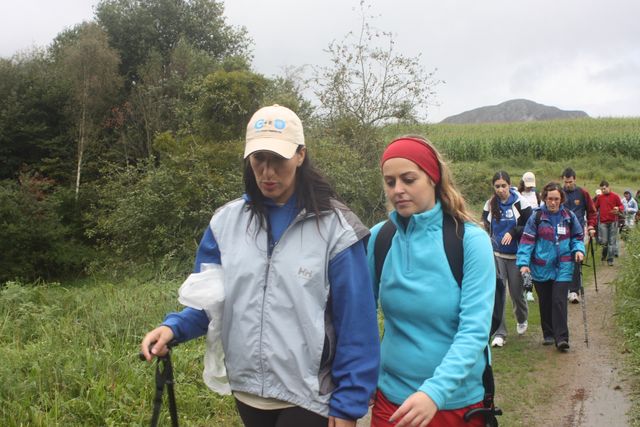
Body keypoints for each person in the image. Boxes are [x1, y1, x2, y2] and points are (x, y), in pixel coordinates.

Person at [140, 105, 380, 427]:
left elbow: (356, 321)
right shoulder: (225, 223)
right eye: (258, 159)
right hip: (248, 391)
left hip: (311, 395)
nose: (267, 172)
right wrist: (174, 328)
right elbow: (212, 300)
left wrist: (350, 401)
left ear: (300, 155)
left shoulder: (337, 229)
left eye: (278, 160)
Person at [368, 136, 495, 427]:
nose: (397, 190)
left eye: (408, 179)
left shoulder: (469, 242)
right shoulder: (380, 239)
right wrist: (365, 375)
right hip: (392, 401)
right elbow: (359, 316)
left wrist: (433, 393)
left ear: (433, 179)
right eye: (389, 182)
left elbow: (474, 331)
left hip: (454, 404)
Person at [517, 182, 585, 351]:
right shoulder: (537, 217)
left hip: (564, 266)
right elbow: (526, 241)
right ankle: (548, 333)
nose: (553, 202)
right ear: (544, 199)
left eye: (556, 199)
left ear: (561, 199)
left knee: (559, 301)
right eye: (550, 199)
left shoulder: (569, 216)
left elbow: (577, 236)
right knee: (546, 302)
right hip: (541, 267)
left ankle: (561, 338)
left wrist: (578, 250)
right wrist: (524, 263)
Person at [482, 171, 532, 347]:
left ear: (509, 185)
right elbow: (485, 223)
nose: (501, 189)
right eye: (497, 186)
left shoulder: (521, 203)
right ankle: (500, 333)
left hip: (516, 256)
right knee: (499, 294)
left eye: (503, 186)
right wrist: (487, 235)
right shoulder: (490, 204)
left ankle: (522, 318)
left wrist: (513, 232)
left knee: (517, 295)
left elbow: (529, 226)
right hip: (497, 255)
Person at [561, 168, 597, 304]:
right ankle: (564, 289)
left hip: (577, 232)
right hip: (562, 232)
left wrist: (591, 225)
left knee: (576, 259)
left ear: (575, 179)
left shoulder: (582, 193)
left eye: (570, 182)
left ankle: (574, 291)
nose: (568, 184)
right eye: (565, 182)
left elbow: (592, 211)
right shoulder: (560, 193)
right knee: (563, 260)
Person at [517, 171, 540, 302]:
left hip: (536, 232)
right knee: (526, 261)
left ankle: (538, 287)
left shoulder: (537, 195)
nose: (530, 187)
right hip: (524, 232)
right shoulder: (518, 196)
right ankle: (528, 289)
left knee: (536, 260)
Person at [594, 180, 624, 266]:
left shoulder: (615, 196)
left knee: (612, 241)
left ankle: (610, 259)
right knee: (604, 241)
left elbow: (621, 206)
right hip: (603, 223)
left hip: (613, 222)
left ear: (608, 187)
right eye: (602, 189)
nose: (603, 190)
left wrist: (618, 208)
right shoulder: (600, 197)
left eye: (604, 188)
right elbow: (595, 208)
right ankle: (604, 255)